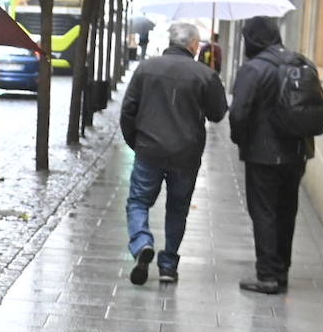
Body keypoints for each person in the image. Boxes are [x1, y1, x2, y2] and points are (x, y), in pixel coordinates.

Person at [120, 21, 228, 285]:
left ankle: (142, 242)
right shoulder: (203, 74)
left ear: (171, 41)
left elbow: (128, 110)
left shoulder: (146, 68)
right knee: (177, 208)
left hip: (149, 150)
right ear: (193, 45)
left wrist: (136, 142)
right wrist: (213, 81)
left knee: (138, 202)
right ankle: (168, 265)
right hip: (186, 153)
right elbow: (218, 114)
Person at [230, 16, 312, 294]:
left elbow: (239, 113)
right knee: (287, 210)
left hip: (263, 155)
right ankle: (281, 270)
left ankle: (266, 275)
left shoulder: (253, 69)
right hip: (297, 153)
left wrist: (241, 140)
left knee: (264, 211)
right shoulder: (300, 62)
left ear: (252, 40)